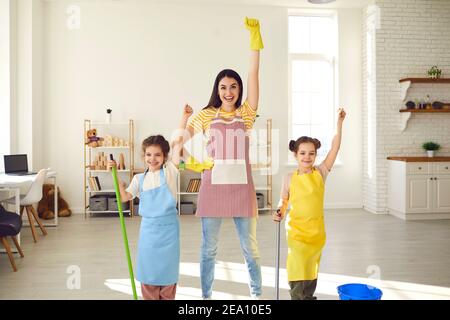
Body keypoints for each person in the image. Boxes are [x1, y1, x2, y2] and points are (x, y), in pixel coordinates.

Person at [181, 17, 264, 299]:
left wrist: (255, 40)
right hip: (213, 187)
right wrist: (193, 162)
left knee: (249, 248)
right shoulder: (205, 115)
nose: (229, 92)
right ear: (217, 90)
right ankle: (206, 298)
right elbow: (180, 142)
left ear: (239, 90)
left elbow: (253, 73)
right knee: (209, 249)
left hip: (242, 188)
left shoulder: (247, 113)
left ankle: (256, 297)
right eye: (223, 87)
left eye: (233, 87)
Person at [108, 105, 193, 300]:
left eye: (157, 155)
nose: (152, 159)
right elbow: (124, 198)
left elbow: (178, 143)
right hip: (149, 232)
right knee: (149, 275)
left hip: (169, 231)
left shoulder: (171, 172)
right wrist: (116, 176)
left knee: (168, 276)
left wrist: (184, 118)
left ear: (164, 157)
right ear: (143, 156)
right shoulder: (139, 179)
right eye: (148, 155)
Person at [273, 108, 347, 300]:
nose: (307, 157)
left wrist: (339, 124)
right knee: (297, 265)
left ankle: (308, 297)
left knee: (311, 268)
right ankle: (297, 297)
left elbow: (335, 149)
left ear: (315, 155)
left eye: (311, 153)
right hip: (296, 231)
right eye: (303, 153)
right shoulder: (289, 177)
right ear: (295, 155)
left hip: (316, 233)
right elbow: (284, 199)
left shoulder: (320, 173)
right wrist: (279, 210)